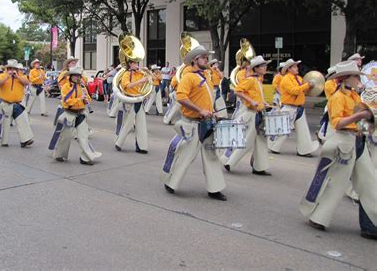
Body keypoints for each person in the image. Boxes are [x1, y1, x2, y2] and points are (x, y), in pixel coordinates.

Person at [300, 60, 376, 240]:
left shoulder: (354, 96)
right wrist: (360, 115)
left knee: (369, 184)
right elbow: (338, 123)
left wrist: (368, 117)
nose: (359, 79)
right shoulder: (337, 97)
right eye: (356, 76)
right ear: (345, 79)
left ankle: (370, 225)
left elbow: (362, 120)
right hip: (343, 143)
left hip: (358, 141)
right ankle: (317, 216)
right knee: (335, 185)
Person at [162, 45, 227, 201]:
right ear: (194, 60)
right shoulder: (188, 77)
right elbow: (181, 97)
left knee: (211, 156)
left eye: (206, 57)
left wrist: (213, 112)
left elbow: (208, 99)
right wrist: (199, 110)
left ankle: (215, 188)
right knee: (185, 156)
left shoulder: (206, 76)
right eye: (204, 57)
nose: (207, 60)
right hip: (192, 124)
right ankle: (171, 182)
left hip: (207, 122)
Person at [221, 56, 272, 176]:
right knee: (247, 142)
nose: (265, 67)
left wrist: (263, 103)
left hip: (258, 113)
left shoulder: (257, 80)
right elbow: (238, 91)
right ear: (256, 68)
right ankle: (229, 162)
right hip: (252, 115)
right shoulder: (250, 80)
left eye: (265, 65)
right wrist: (251, 101)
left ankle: (259, 167)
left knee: (261, 141)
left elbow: (256, 96)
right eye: (263, 66)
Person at [48, 67, 102, 165]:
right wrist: (79, 99)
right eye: (75, 76)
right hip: (69, 113)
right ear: (71, 77)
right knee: (65, 136)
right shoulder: (66, 87)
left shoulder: (82, 87)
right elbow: (67, 101)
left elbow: (88, 99)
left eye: (79, 76)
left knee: (83, 136)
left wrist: (86, 100)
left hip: (80, 113)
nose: (77, 78)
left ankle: (85, 158)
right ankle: (59, 154)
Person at [268, 58, 319, 157]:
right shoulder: (285, 79)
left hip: (299, 108)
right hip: (289, 107)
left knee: (303, 130)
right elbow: (294, 91)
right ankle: (274, 146)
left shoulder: (299, 78)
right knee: (284, 130)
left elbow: (303, 90)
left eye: (296, 66)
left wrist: (310, 87)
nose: (297, 68)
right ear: (289, 69)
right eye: (294, 66)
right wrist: (307, 85)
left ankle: (304, 150)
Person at [0, 60, 34, 148]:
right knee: (6, 124)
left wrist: (18, 77)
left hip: (17, 104)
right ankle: (4, 141)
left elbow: (27, 83)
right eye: (10, 68)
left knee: (23, 121)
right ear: (7, 69)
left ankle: (26, 140)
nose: (12, 70)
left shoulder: (21, 76)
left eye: (14, 69)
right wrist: (7, 76)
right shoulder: (2, 76)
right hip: (5, 103)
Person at [114, 59, 149, 154]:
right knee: (129, 124)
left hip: (139, 99)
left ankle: (142, 147)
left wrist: (147, 73)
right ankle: (119, 143)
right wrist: (140, 81)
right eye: (135, 63)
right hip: (130, 101)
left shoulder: (139, 73)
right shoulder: (126, 74)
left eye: (137, 63)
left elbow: (150, 80)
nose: (137, 65)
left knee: (141, 124)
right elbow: (127, 86)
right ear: (130, 64)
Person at [54, 57, 79, 125]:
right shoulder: (65, 73)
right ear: (68, 64)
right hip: (67, 93)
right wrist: (64, 90)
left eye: (75, 63)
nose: (74, 64)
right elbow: (60, 82)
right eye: (72, 63)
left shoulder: (76, 73)